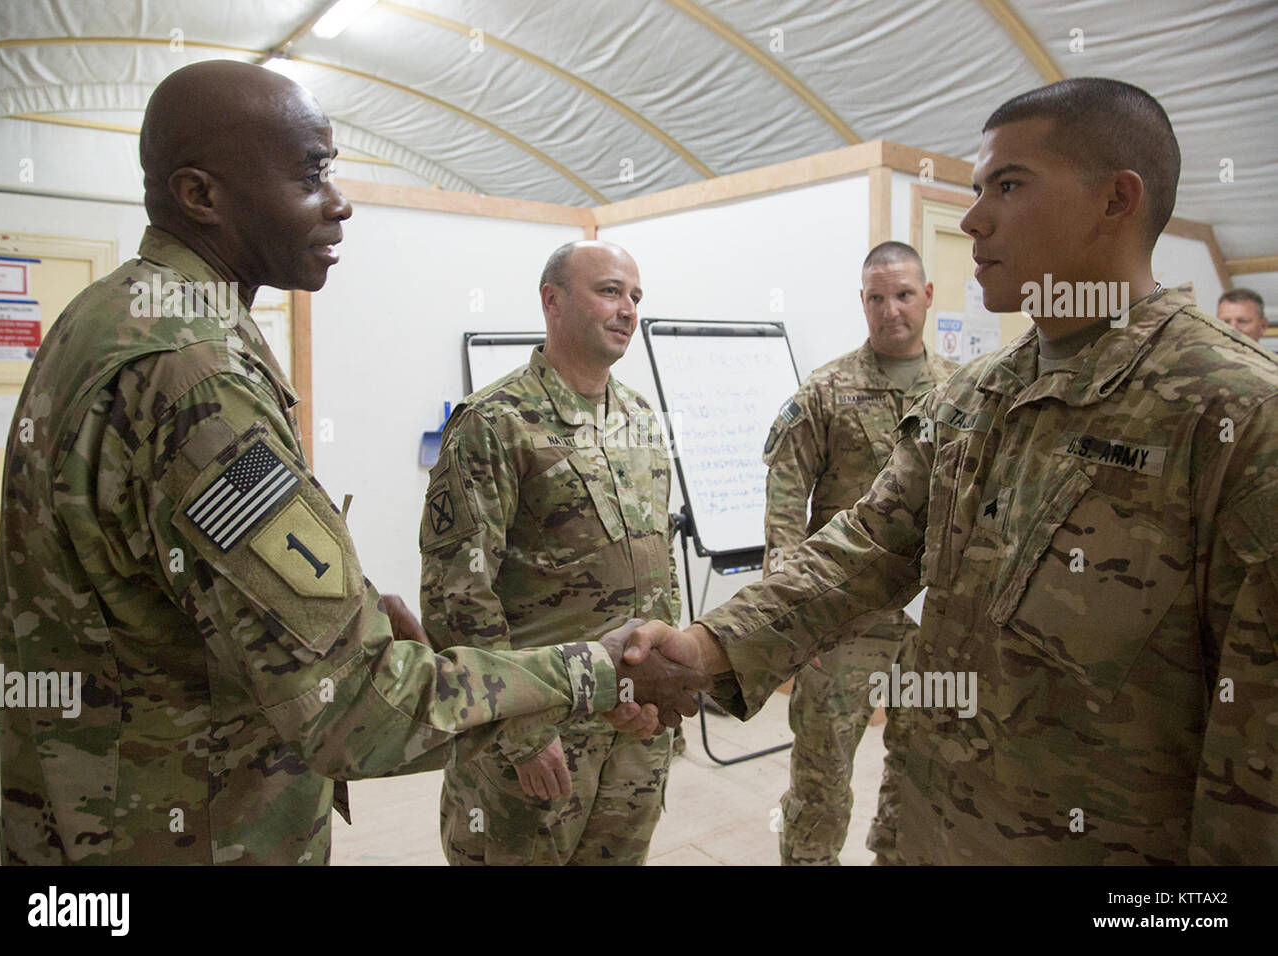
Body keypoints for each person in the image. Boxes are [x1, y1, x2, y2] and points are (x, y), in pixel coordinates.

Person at [0, 61, 700, 866]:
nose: (340, 201)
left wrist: (356, 610)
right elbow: (353, 706)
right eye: (311, 174)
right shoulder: (196, 377)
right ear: (201, 196)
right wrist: (595, 671)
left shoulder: (119, 317)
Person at [626, 77, 1278, 864]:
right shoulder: (977, 396)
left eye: (1008, 185)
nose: (973, 218)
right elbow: (864, 548)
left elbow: (1257, 769)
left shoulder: (1234, 417)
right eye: (976, 190)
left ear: (1116, 200)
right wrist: (707, 644)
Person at [419, 240, 680, 865]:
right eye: (610, 291)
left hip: (632, 728)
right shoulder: (494, 422)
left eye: (635, 297)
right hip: (541, 735)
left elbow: (659, 573)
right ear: (552, 300)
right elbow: (457, 595)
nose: (627, 310)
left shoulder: (641, 418)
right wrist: (521, 731)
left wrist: (663, 689)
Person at [763, 241, 957, 865]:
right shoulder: (827, 390)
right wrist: (790, 618)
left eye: (903, 294)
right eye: (876, 297)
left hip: (934, 622)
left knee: (921, 769)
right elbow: (786, 503)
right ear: (863, 303)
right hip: (843, 619)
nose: (890, 309)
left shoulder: (963, 390)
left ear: (927, 296)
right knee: (822, 775)